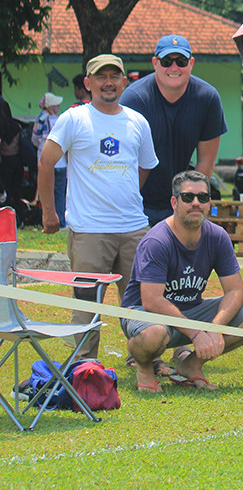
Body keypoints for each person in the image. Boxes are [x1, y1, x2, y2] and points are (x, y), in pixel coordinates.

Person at [38, 54, 159, 361]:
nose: (108, 83)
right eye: (101, 77)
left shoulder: (137, 122)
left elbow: (143, 169)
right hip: (89, 231)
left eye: (114, 76)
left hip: (134, 229)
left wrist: (124, 196)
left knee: (143, 301)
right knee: (87, 303)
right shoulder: (73, 119)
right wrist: (48, 212)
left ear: (124, 81)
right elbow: (47, 162)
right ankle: (84, 364)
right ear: (88, 83)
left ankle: (145, 357)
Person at [120, 170, 243, 393]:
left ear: (209, 203)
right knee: (153, 334)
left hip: (191, 309)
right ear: (174, 202)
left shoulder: (218, 237)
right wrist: (196, 333)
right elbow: (151, 300)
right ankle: (144, 367)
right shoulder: (157, 241)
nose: (196, 203)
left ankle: (191, 365)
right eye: (188, 197)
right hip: (147, 314)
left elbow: (235, 290)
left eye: (202, 198)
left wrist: (215, 328)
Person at [120, 34, 227, 225]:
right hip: (137, 203)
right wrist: (127, 203)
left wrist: (188, 202)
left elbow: (206, 162)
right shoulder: (134, 99)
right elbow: (123, 160)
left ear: (191, 63)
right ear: (155, 63)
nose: (174, 68)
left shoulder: (207, 98)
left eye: (181, 61)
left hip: (180, 202)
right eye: (167, 61)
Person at [32, 92, 67, 228]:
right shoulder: (60, 120)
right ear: (51, 106)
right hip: (61, 162)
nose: (58, 107)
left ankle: (47, 220)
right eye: (56, 105)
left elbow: (35, 139)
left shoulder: (40, 119)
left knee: (46, 193)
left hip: (44, 161)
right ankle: (62, 221)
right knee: (60, 193)